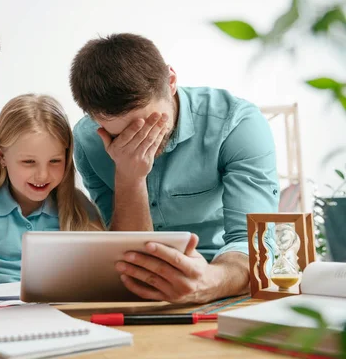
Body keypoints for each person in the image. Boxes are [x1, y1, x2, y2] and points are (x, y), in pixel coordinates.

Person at [70, 33, 279, 304]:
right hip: (139, 291)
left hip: (223, 279)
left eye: (147, 124)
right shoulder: (89, 140)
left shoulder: (238, 124)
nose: (138, 141)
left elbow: (254, 246)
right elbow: (127, 254)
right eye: (121, 135)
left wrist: (209, 280)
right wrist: (130, 178)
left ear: (170, 82)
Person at [0, 94, 104, 295]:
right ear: (2, 157)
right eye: (29, 162)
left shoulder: (78, 207)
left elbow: (102, 274)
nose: (42, 175)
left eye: (54, 161)